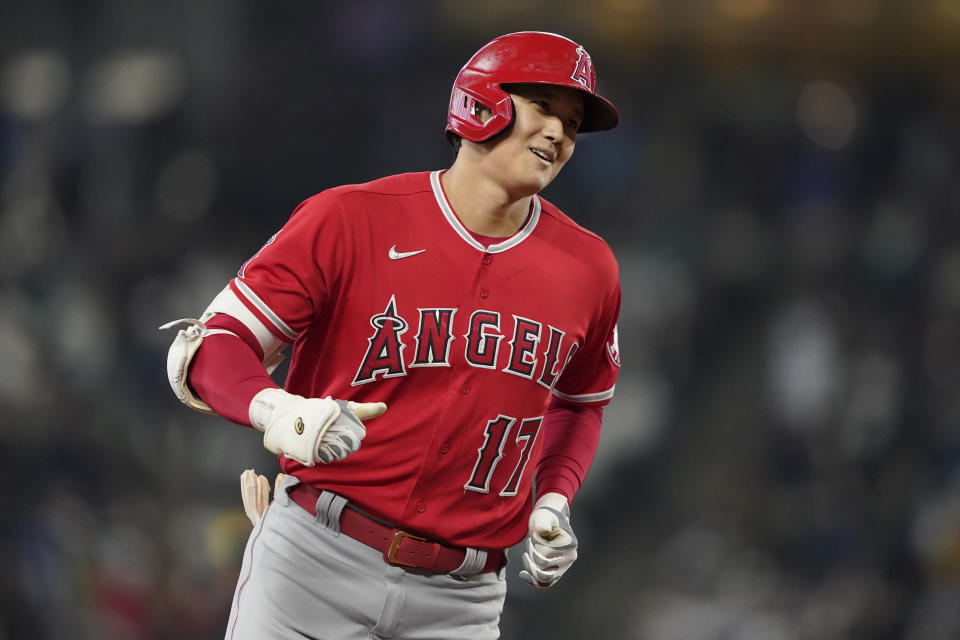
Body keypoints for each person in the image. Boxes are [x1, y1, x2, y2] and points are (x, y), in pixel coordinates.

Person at [162, 30, 622, 640]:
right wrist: (275, 410)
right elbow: (204, 349)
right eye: (544, 108)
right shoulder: (352, 219)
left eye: (572, 123)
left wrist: (554, 499)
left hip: (464, 597)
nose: (560, 134)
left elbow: (581, 404)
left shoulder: (589, 269)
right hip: (315, 563)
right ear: (482, 104)